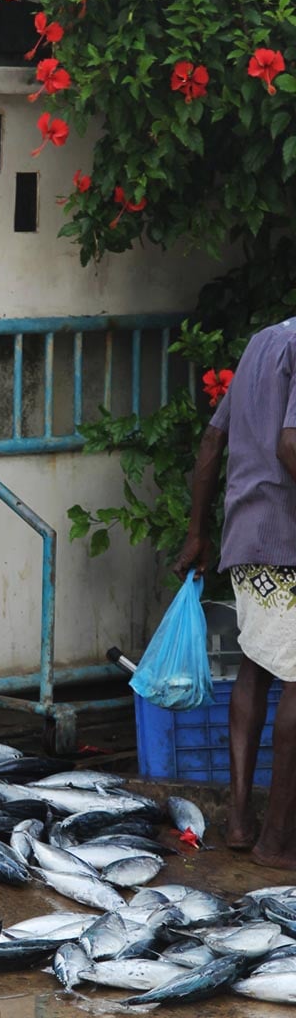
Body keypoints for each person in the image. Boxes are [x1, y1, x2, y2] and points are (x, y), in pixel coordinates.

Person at [174, 318, 296, 868]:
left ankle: (243, 824)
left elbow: (211, 440)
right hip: (287, 536)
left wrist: (198, 532)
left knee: (256, 665)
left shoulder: (262, 341)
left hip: (247, 533)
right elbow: (291, 446)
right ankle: (274, 842)